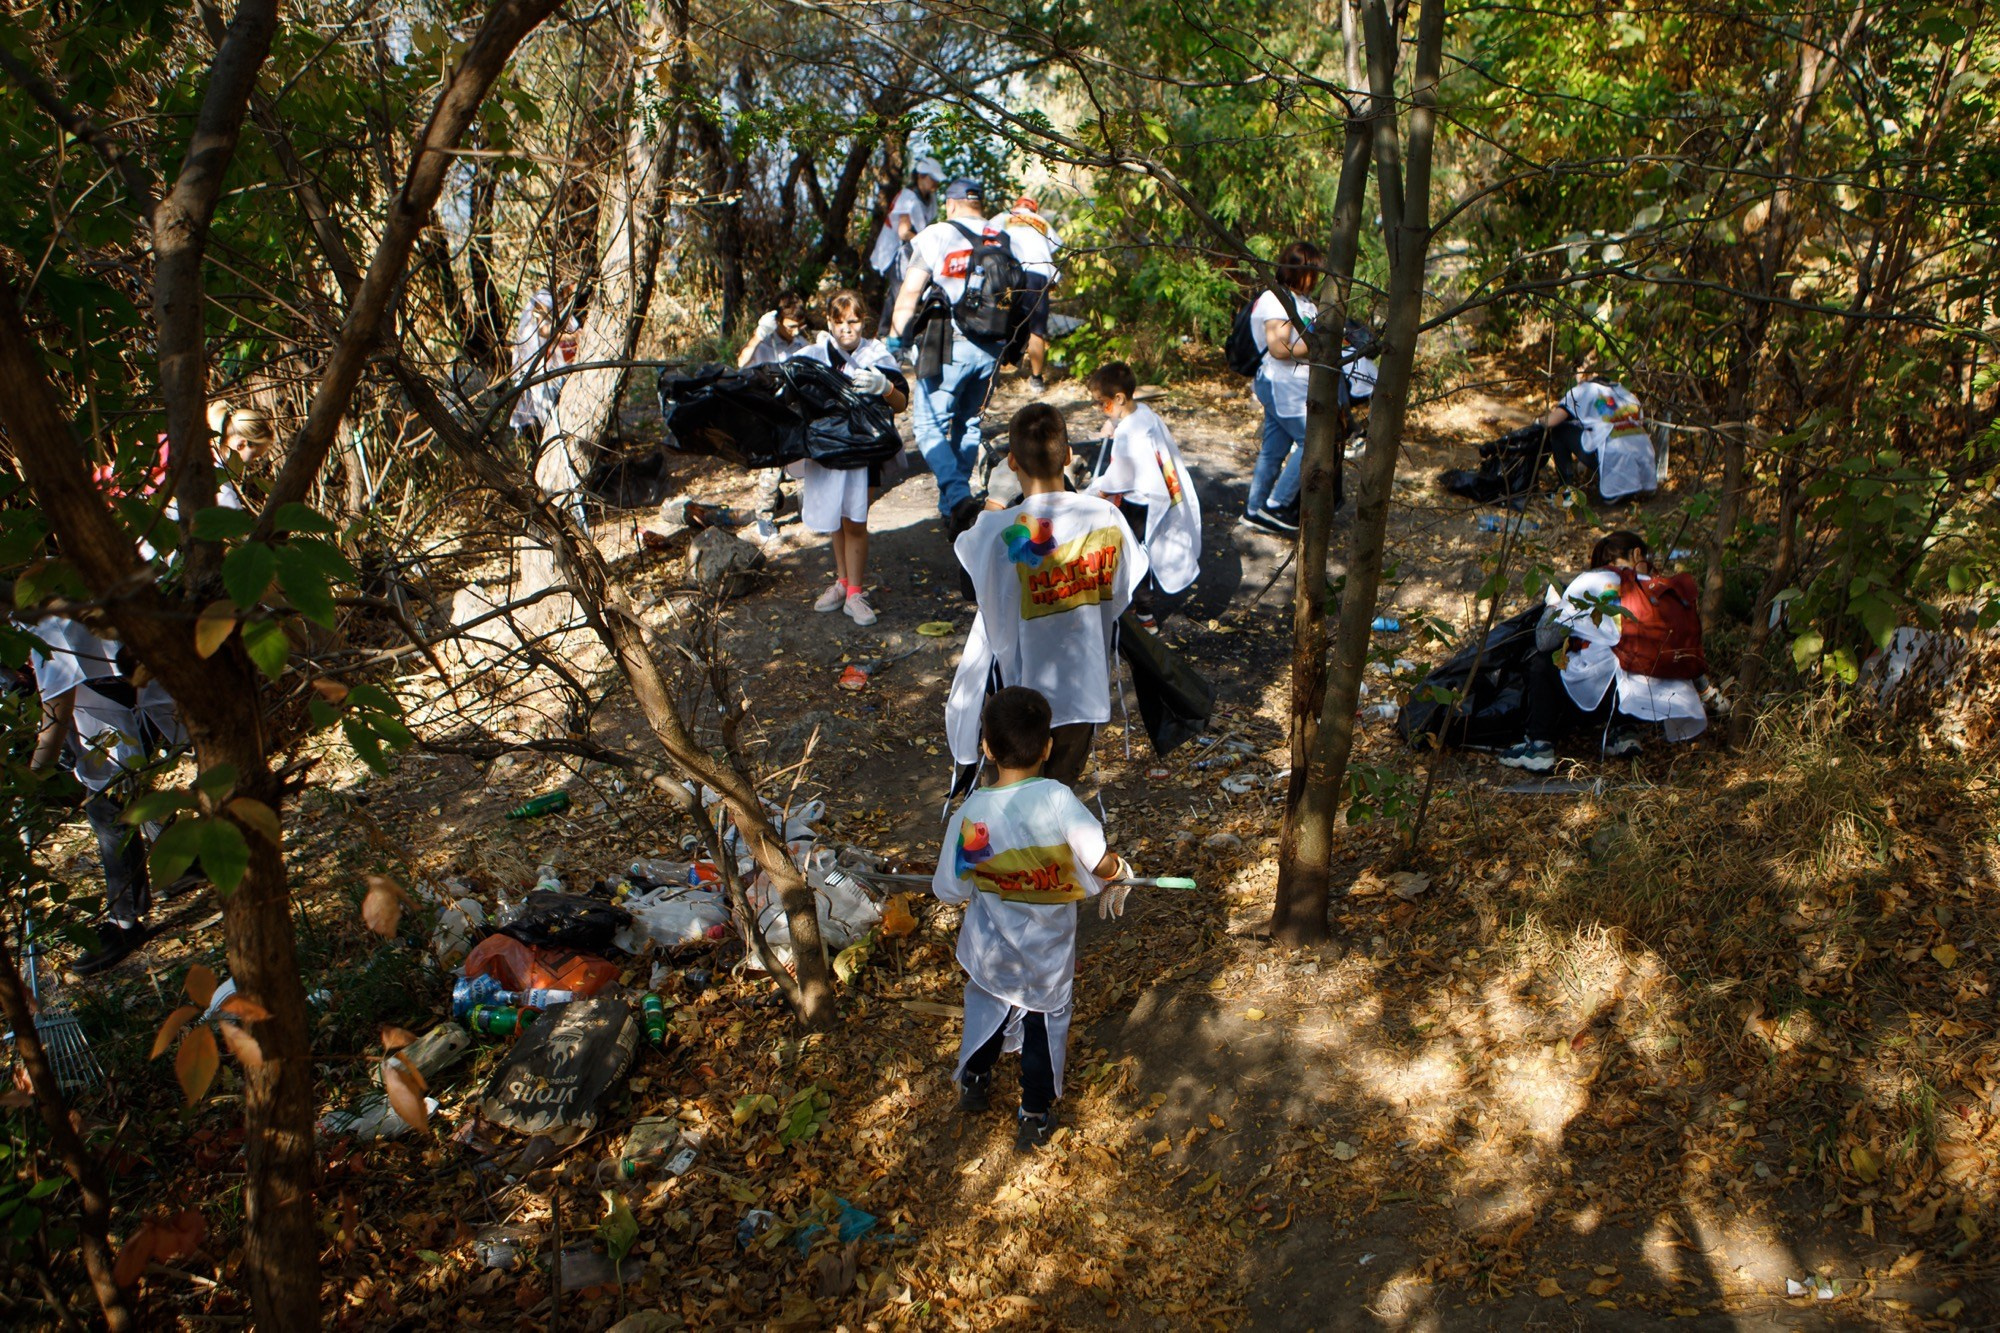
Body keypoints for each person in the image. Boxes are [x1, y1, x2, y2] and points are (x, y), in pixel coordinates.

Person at [932, 685, 1134, 1151]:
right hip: (1047, 955)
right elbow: (1098, 859)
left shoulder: (975, 815)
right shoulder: (1058, 800)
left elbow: (949, 888)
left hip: (991, 950)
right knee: (1045, 1025)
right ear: (1047, 747)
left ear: (985, 747)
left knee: (989, 1008)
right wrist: (1120, 872)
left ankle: (976, 1082)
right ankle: (1035, 1115)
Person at [946, 404, 1146, 788]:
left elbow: (971, 585)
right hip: (1082, 693)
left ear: (1012, 463)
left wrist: (994, 501)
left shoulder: (1001, 527)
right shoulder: (1105, 518)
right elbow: (1122, 593)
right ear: (1068, 457)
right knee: (1058, 795)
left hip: (1019, 704)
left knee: (1009, 804)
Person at [26, 617, 187, 975]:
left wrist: (24, 781)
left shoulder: (46, 628)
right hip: (120, 706)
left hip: (123, 713)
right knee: (126, 798)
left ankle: (125, 923)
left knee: (108, 810)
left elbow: (54, 721)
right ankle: (184, 862)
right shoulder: (52, 595)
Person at [1498, 530, 1707, 772]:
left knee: (1544, 661)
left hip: (1596, 694)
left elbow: (1545, 640)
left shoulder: (1587, 582)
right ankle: (1625, 733)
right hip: (1650, 696)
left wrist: (1554, 604)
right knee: (1625, 653)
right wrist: (1707, 692)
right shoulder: (1652, 590)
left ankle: (1539, 746)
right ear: (1637, 553)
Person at [784, 289, 909, 627]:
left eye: (853, 321)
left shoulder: (877, 354)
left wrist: (884, 386)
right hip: (828, 452)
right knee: (837, 518)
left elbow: (900, 402)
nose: (847, 329)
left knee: (855, 520)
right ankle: (841, 582)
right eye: (839, 322)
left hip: (863, 454)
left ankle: (855, 592)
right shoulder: (815, 354)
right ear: (829, 322)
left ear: (863, 321)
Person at [887, 178, 1005, 533]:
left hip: (950, 345)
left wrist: (896, 337)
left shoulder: (937, 234)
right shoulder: (1003, 236)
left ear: (951, 204)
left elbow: (909, 294)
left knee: (927, 426)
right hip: (994, 347)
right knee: (968, 423)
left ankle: (957, 499)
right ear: (979, 204)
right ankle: (950, 511)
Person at [1082, 362, 1201, 628]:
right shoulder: (1144, 414)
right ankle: (1138, 607)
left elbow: (1121, 475)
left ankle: (1143, 613)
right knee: (1139, 549)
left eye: (1103, 404)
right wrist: (1114, 423)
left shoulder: (1129, 433)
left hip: (1137, 503)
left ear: (1119, 398)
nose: (1102, 409)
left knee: (1134, 552)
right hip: (1151, 497)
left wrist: (1097, 491)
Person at [1243, 241, 1323, 534]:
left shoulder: (1302, 300)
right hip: (1280, 384)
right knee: (1311, 441)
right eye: (1313, 272)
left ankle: (1254, 510)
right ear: (1298, 271)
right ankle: (1276, 505)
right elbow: (1279, 348)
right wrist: (1320, 347)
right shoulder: (1276, 299)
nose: (1317, 278)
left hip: (1292, 386)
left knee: (1274, 449)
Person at [737, 291, 822, 517]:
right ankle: (764, 515)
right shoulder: (764, 344)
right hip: (770, 415)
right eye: (791, 326)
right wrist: (758, 335)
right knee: (771, 470)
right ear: (778, 321)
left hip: (796, 413)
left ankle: (809, 512)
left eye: (799, 326)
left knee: (804, 463)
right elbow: (741, 363)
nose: (795, 332)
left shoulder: (800, 343)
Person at [1532, 358, 1657, 501]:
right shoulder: (1625, 393)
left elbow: (1552, 421)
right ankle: (1631, 487)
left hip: (1612, 456)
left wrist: (1536, 421)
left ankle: (1565, 491)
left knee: (1560, 431)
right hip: (1644, 464)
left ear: (1579, 372)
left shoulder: (1582, 391)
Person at [870, 157, 946, 335]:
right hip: (896, 251)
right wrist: (926, 240)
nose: (935, 183)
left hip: (915, 249)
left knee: (896, 296)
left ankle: (884, 334)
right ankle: (898, 339)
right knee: (903, 295)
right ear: (921, 176)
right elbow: (903, 232)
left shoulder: (931, 198)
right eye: (932, 179)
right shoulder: (908, 197)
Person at [1002, 196, 1063, 394]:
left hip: (1011, 271)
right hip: (1040, 274)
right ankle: (1036, 379)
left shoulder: (1006, 216)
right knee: (1036, 329)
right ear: (1034, 210)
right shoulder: (1042, 222)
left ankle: (992, 371)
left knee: (998, 322)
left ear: (1016, 206)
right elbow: (1055, 246)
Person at [509, 285, 577, 447]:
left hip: (545, 369)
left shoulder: (556, 300)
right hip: (538, 371)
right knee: (549, 424)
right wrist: (572, 336)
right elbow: (543, 329)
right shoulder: (545, 297)